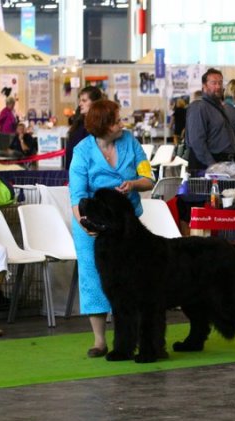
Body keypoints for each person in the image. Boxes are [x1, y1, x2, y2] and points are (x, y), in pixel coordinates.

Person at [69, 99, 155, 357]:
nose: (122, 124)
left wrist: (133, 184)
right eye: (117, 121)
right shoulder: (82, 152)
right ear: (104, 126)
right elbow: (77, 196)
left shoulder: (131, 142)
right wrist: (87, 224)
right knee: (94, 280)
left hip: (129, 228)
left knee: (135, 282)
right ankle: (99, 341)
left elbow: (148, 178)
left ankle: (136, 338)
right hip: (93, 226)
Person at [184, 68, 235, 171]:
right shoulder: (199, 107)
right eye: (214, 83)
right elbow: (197, 141)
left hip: (221, 163)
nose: (218, 86)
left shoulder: (217, 106)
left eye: (220, 83)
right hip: (205, 166)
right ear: (204, 86)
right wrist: (212, 165)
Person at [66, 86, 104, 170]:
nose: (80, 104)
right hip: (73, 170)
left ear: (95, 103)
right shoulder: (78, 122)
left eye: (84, 101)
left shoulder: (100, 126)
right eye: (80, 101)